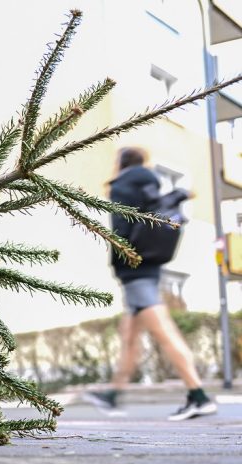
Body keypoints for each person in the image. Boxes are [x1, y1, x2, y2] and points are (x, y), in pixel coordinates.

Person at [82, 147, 217, 421]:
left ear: (121, 162)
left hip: (136, 269)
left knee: (164, 332)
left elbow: (126, 225)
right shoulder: (145, 181)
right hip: (143, 267)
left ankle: (198, 396)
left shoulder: (127, 182)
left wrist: (123, 259)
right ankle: (113, 393)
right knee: (129, 336)